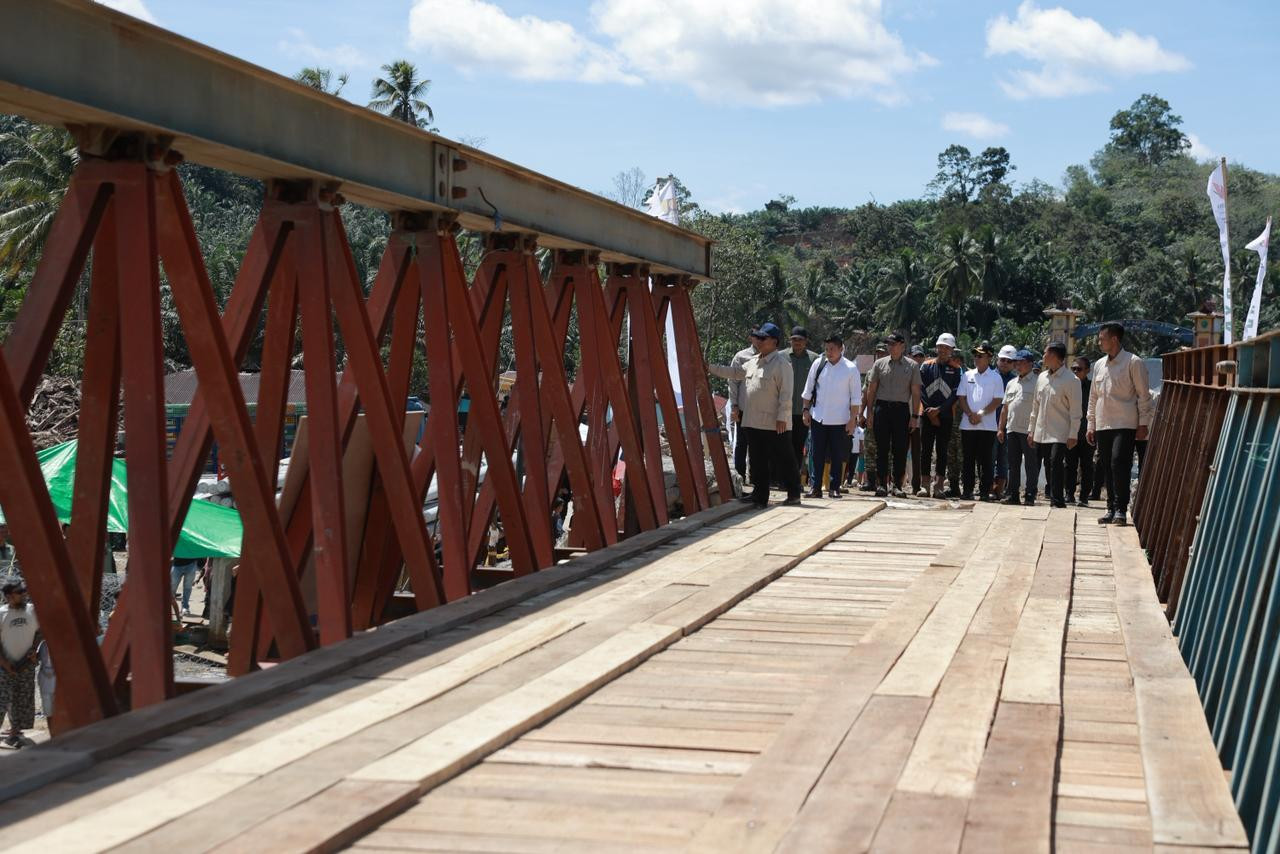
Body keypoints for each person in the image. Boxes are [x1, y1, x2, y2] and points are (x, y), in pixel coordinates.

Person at [709, 323, 802, 508]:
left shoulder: (782, 365)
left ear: (774, 342)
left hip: (775, 422)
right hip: (752, 420)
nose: (758, 341)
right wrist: (710, 368)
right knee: (757, 460)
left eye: (762, 338)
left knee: (785, 458)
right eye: (757, 337)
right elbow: (735, 373)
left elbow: (786, 393)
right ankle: (759, 496)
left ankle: (794, 494)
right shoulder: (753, 361)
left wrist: (782, 417)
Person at [1087, 322, 1153, 526]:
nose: (1099, 342)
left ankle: (1121, 509)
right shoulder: (1099, 365)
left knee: (1119, 463)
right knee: (1106, 465)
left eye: (1102, 339)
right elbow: (1093, 397)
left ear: (1114, 339)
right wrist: (1091, 424)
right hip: (1103, 423)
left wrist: (1143, 423)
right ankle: (1110, 508)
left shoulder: (1133, 362)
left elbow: (1144, 396)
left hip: (1125, 423)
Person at [802, 334, 862, 498]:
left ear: (841, 349)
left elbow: (855, 398)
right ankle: (815, 487)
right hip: (818, 416)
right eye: (827, 349)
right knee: (816, 454)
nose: (829, 352)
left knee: (837, 455)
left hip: (840, 419)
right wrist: (805, 410)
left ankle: (835, 487)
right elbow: (808, 390)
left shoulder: (850, 368)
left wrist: (852, 420)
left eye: (832, 349)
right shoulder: (818, 364)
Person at [864, 333, 922, 497]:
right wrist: (869, 412)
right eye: (888, 344)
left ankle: (897, 485)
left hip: (901, 410)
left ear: (902, 345)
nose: (890, 347)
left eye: (893, 344)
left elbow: (916, 393)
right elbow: (871, 390)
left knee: (900, 449)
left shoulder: (912, 366)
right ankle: (882, 484)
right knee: (881, 449)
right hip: (882, 409)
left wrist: (915, 416)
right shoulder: (879, 364)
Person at [1027, 342, 1082, 509]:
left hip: (1060, 432)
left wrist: (1073, 434)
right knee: (1046, 465)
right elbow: (1035, 406)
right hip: (1041, 431)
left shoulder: (1071, 380)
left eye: (1045, 353)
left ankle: (1058, 500)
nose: (1043, 356)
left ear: (1054, 356)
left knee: (1056, 462)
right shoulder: (1042, 378)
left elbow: (1076, 411)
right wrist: (1031, 430)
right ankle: (1047, 494)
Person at [958, 342, 1004, 501]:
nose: (976, 358)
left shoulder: (995, 377)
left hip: (987, 426)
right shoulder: (967, 375)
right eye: (975, 356)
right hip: (968, 424)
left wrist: (980, 414)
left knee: (986, 460)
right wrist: (970, 414)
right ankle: (967, 490)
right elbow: (961, 397)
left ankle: (984, 491)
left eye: (980, 356)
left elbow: (997, 400)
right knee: (968, 460)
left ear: (989, 358)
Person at [918, 333, 961, 497]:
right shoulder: (926, 366)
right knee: (926, 450)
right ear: (936, 347)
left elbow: (955, 394)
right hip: (927, 415)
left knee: (943, 451)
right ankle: (924, 486)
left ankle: (939, 486)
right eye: (941, 346)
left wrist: (939, 410)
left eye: (947, 347)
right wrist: (930, 412)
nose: (943, 350)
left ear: (952, 350)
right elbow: (921, 390)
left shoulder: (956, 369)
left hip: (946, 415)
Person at [0, 581, 40, 749]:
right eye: (19, 592)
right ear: (9, 596)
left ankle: (15, 734)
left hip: (26, 664)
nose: (24, 594)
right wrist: (4, 663)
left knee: (21, 700)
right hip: (4, 666)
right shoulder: (2, 614)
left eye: (24, 591)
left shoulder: (32, 610)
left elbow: (40, 632)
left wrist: (34, 650)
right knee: (2, 699)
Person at [997, 349, 1040, 506]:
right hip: (1012, 429)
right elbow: (1005, 408)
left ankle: (1030, 494)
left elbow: (1040, 408)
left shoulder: (1038, 383)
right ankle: (1012, 494)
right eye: (1016, 362)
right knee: (1013, 464)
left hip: (1029, 430)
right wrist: (1001, 428)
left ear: (1030, 364)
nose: (1018, 365)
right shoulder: (1011, 383)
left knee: (1030, 464)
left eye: (1022, 362)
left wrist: (1035, 430)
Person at [787, 327, 819, 484]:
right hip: (783, 411)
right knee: (782, 445)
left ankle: (794, 480)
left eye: (800, 339)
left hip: (803, 412)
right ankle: (779, 478)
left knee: (798, 446)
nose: (797, 342)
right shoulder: (781, 357)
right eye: (794, 339)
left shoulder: (815, 359)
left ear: (806, 341)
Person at [727, 334, 758, 481]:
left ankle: (756, 478)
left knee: (758, 445)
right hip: (743, 408)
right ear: (751, 338)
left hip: (762, 410)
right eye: (756, 336)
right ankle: (739, 477)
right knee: (741, 443)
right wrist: (734, 405)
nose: (759, 339)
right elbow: (733, 382)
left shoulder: (771, 357)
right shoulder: (741, 356)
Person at [1065, 355, 1094, 506]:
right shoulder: (1068, 385)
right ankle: (1069, 494)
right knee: (1069, 465)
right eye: (1073, 369)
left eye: (1079, 369)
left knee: (1086, 465)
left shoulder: (1093, 388)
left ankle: (1084, 497)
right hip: (1070, 432)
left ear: (1087, 370)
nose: (1076, 372)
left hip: (1087, 432)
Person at [860, 342, 888, 492]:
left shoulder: (891, 371)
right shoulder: (871, 372)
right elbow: (865, 394)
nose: (880, 355)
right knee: (869, 447)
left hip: (886, 414)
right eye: (878, 353)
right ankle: (870, 481)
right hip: (872, 414)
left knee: (885, 449)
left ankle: (883, 482)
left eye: (883, 353)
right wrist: (861, 414)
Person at [991, 344, 1018, 498]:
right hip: (989, 424)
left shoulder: (1016, 381)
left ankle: (999, 489)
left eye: (1009, 361)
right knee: (989, 457)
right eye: (1003, 360)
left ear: (1014, 363)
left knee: (1004, 458)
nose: (1005, 363)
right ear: (997, 360)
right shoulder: (989, 376)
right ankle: (988, 487)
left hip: (1008, 426)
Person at [907, 345, 927, 493]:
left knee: (917, 452)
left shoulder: (926, 374)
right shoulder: (904, 371)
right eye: (915, 356)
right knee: (899, 450)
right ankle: (897, 483)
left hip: (920, 417)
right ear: (909, 356)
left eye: (920, 356)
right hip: (904, 415)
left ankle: (916, 485)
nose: (918, 359)